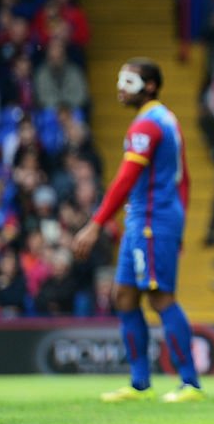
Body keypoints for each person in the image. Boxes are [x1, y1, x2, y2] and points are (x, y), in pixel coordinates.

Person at [72, 58, 203, 403]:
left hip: (151, 221)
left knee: (160, 298)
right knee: (124, 297)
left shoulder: (146, 126)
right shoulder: (166, 120)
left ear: (150, 86)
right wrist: (180, 222)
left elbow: (126, 179)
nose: (120, 88)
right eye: (120, 79)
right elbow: (184, 178)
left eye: (128, 82)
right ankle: (140, 383)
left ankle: (190, 383)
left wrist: (96, 224)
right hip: (145, 220)